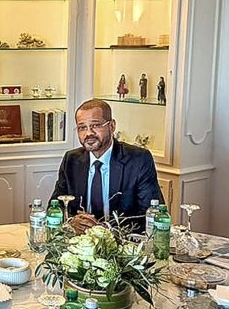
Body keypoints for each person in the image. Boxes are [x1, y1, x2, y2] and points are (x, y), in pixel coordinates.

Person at [50, 99, 163, 233]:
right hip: (80, 240)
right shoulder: (71, 160)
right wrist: (71, 222)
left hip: (123, 241)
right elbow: (54, 207)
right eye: (82, 128)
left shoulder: (138, 159)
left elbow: (152, 214)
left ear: (112, 126)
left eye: (96, 125)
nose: (88, 133)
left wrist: (106, 229)